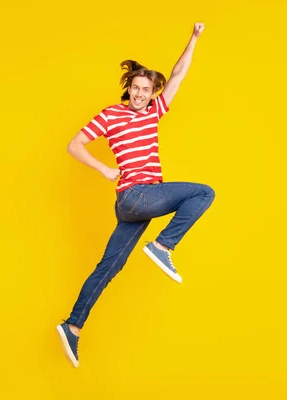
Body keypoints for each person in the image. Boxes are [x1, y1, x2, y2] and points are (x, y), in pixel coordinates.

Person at [56, 22, 215, 368]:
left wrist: (193, 39)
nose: (141, 94)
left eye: (146, 89)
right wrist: (103, 169)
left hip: (134, 208)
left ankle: (72, 326)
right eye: (136, 88)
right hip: (136, 195)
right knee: (204, 193)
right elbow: (75, 144)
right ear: (128, 88)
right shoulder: (111, 115)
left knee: (109, 267)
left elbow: (177, 76)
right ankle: (163, 246)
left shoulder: (155, 112)